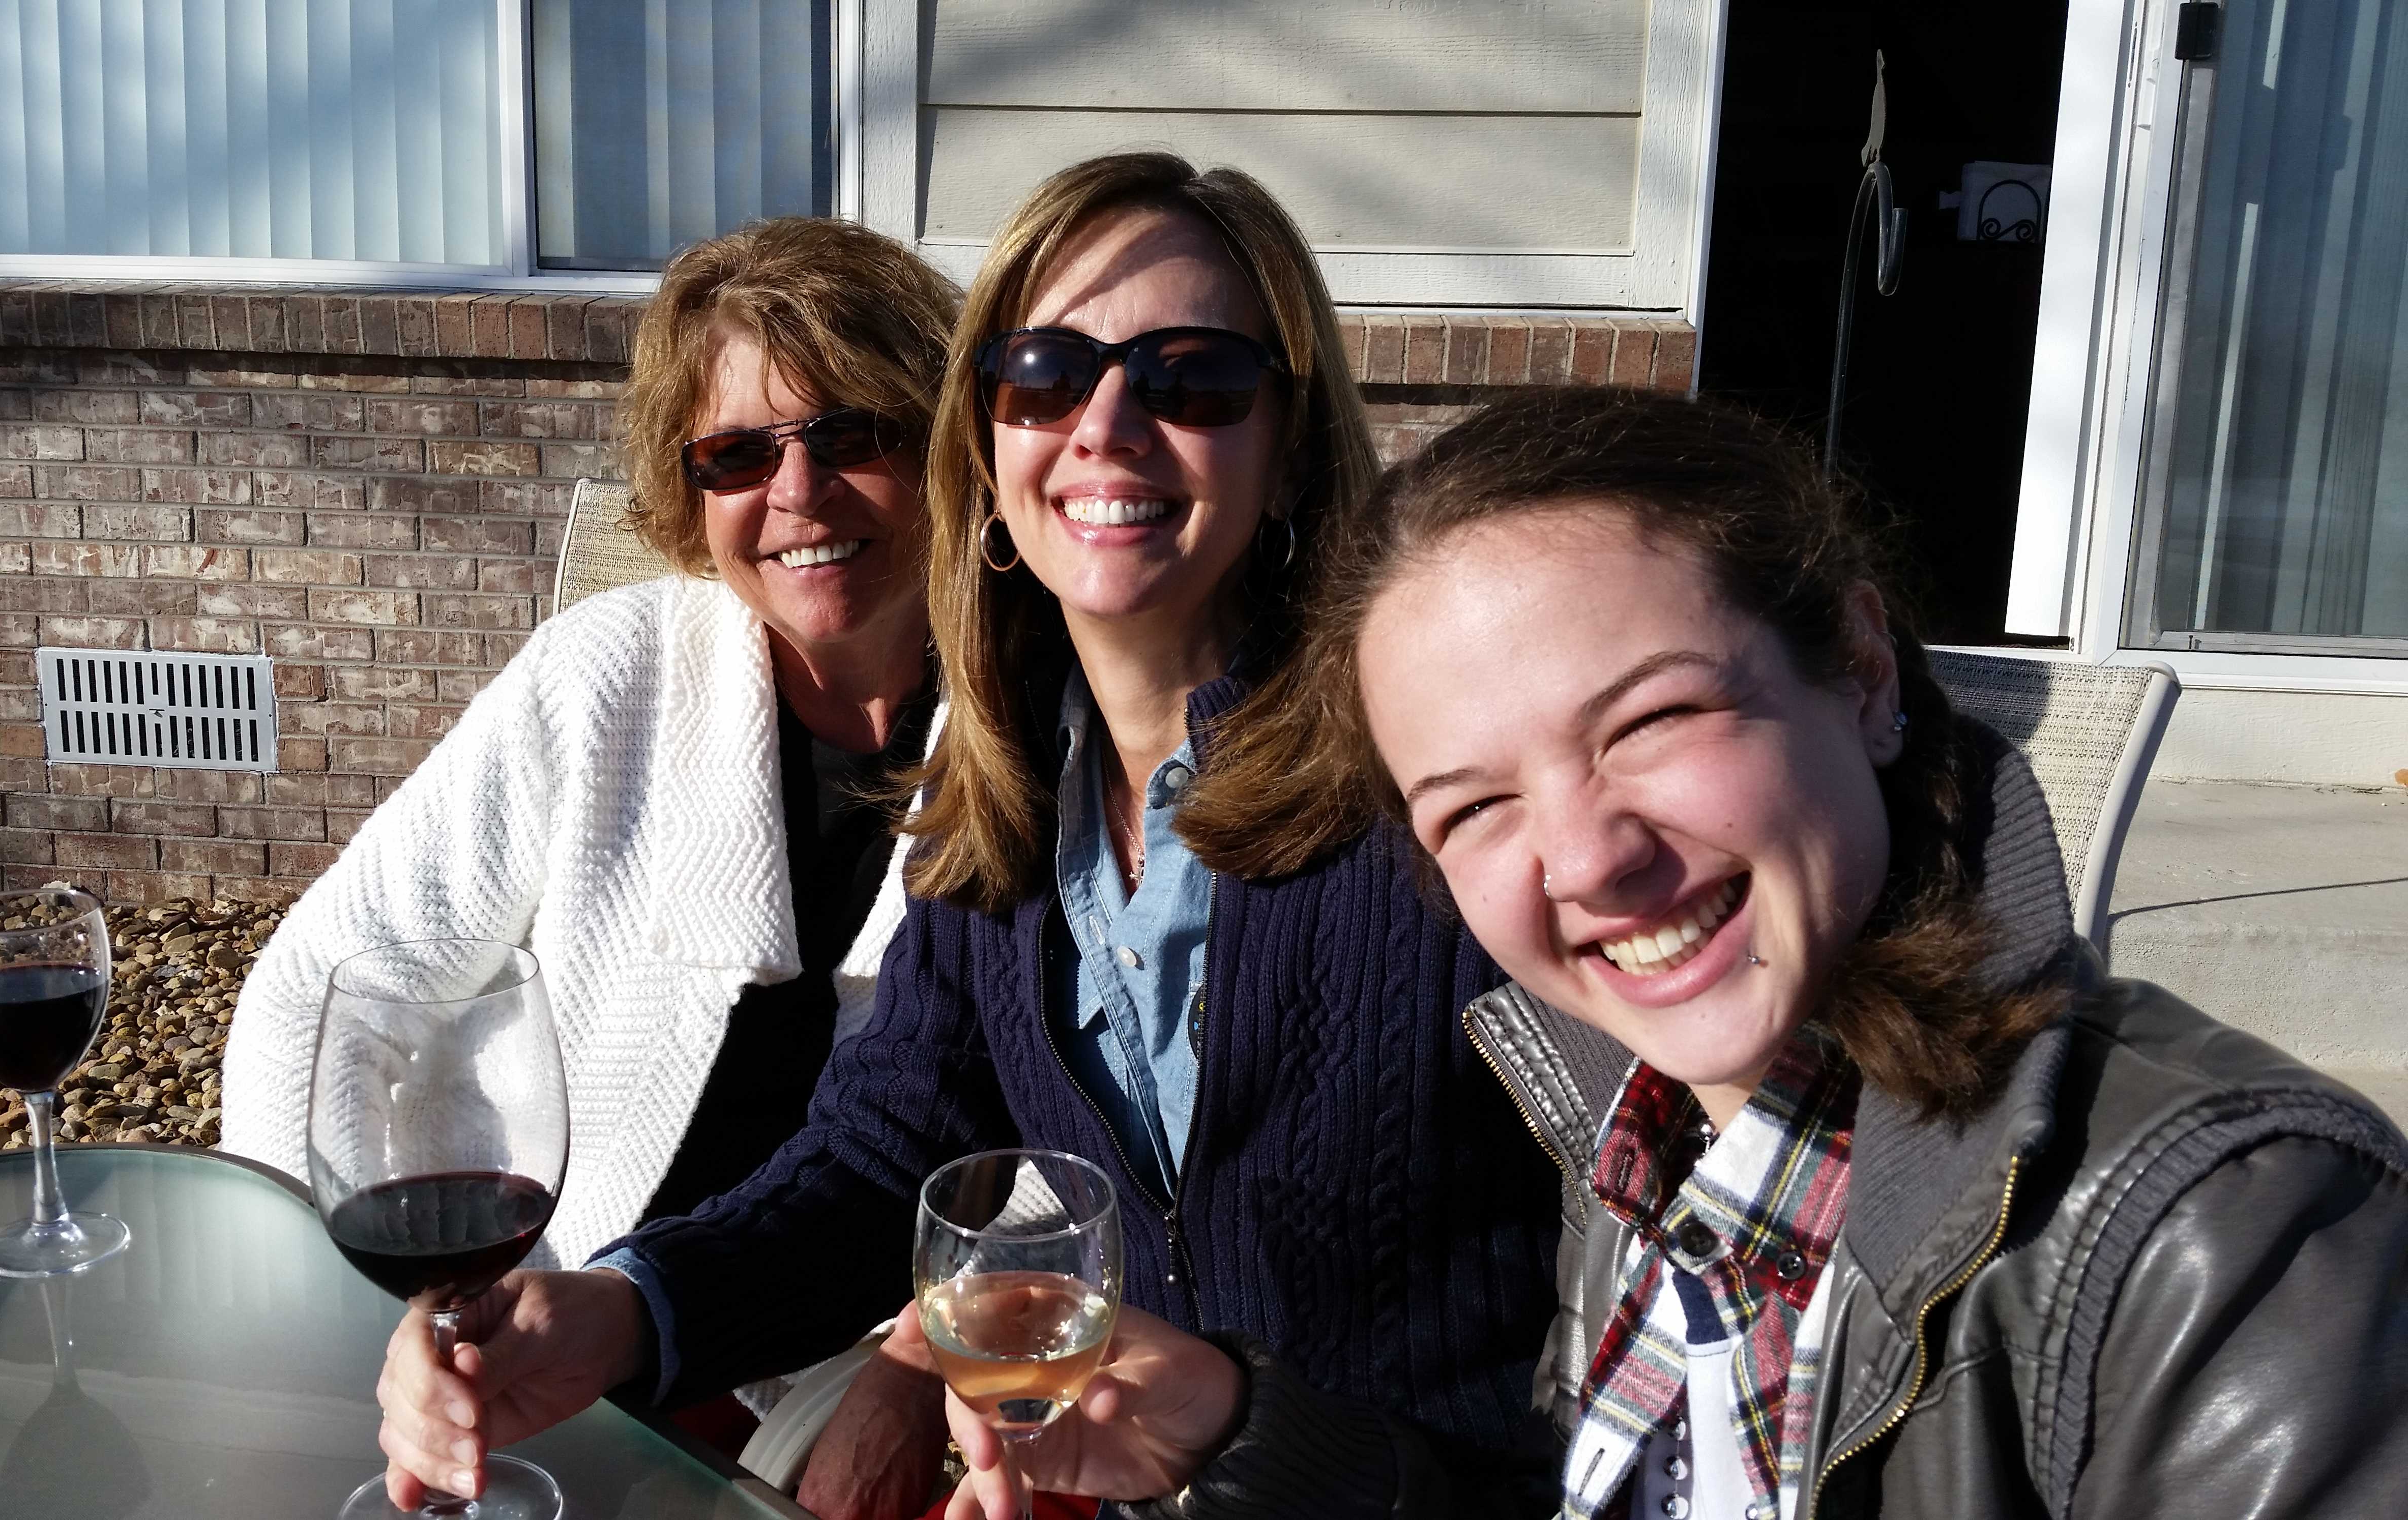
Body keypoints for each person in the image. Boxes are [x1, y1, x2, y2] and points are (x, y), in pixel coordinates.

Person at [937, 387, 2408, 1519]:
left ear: (1864, 675)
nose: (1585, 859)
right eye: (1476, 805)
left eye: (1651, 722)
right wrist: (1233, 1434)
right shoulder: (1639, 1141)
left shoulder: (2237, 1244)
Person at [366, 152, 1569, 1513]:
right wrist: (620, 1309)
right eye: (1045, 376)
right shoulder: (1002, 785)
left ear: (1288, 450)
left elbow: (1660, 1237)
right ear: (987, 450)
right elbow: (882, 1155)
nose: (1106, 426)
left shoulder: (1429, 783)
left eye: (1192, 378)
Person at [218, 216, 961, 1516]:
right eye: (737, 454)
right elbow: (320, 993)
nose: (797, 494)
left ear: (944, 446)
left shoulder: (1040, 721)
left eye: (853, 435)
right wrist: (353, 1334)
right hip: (570, 1322)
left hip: (863, 1337)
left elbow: (1067, 1114)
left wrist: (916, 1361)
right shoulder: (606, 680)